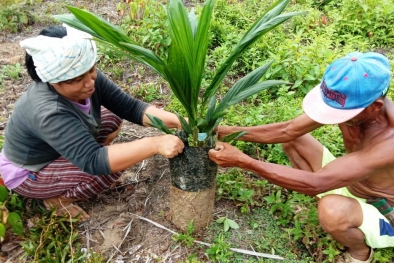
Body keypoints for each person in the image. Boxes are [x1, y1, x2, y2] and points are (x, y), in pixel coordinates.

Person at [208, 51, 394, 263]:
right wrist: (226, 131)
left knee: (331, 210)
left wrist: (244, 161)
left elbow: (317, 183)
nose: (337, 118)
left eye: (342, 115)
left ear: (375, 107)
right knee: (294, 140)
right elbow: (288, 130)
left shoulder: (389, 143)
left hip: (385, 210)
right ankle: (337, 210)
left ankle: (360, 252)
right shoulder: (352, 103)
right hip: (351, 180)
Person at [0, 25, 184, 221]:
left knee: (112, 118)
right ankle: (57, 200)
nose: (90, 82)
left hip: (56, 148)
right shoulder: (48, 111)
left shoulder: (84, 75)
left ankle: (77, 167)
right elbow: (93, 161)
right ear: (53, 81)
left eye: (92, 70)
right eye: (77, 79)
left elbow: (130, 108)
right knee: (107, 169)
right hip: (29, 171)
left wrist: (182, 122)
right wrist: (154, 144)